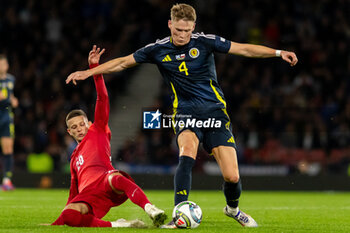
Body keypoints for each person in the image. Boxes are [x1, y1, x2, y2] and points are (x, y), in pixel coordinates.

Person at [66, 4, 298, 228]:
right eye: (178, 30)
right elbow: (123, 63)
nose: (182, 35)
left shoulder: (205, 42)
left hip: (215, 112)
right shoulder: (158, 49)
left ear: (194, 27)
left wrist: (278, 52)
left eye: (187, 30)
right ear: (170, 25)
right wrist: (89, 72)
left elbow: (245, 49)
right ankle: (179, 215)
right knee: (187, 152)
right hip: (185, 112)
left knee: (232, 176)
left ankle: (233, 210)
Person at [51, 46, 167, 228]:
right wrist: (56, 223)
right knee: (69, 216)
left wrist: (94, 69)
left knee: (118, 178)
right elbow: (73, 194)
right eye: (74, 127)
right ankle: (121, 225)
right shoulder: (74, 159)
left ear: (89, 123)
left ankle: (151, 209)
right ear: (69, 132)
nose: (80, 129)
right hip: (90, 195)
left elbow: (102, 97)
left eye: (82, 124)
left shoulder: (97, 130)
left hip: (106, 180)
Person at [0, 54, 18, 191]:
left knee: (8, 149)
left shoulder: (11, 79)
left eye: (4, 64)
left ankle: (7, 181)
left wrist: (13, 99)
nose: (2, 66)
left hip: (6, 116)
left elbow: (9, 96)